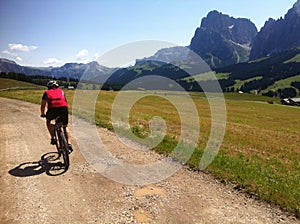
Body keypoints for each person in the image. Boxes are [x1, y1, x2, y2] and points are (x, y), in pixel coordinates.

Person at [40, 80, 73, 152]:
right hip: (63, 108)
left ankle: (53, 138)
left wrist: (42, 113)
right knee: (65, 126)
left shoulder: (46, 92)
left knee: (48, 122)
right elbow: (65, 102)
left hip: (52, 109)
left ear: (48, 87)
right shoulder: (61, 91)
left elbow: (43, 105)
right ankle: (69, 143)